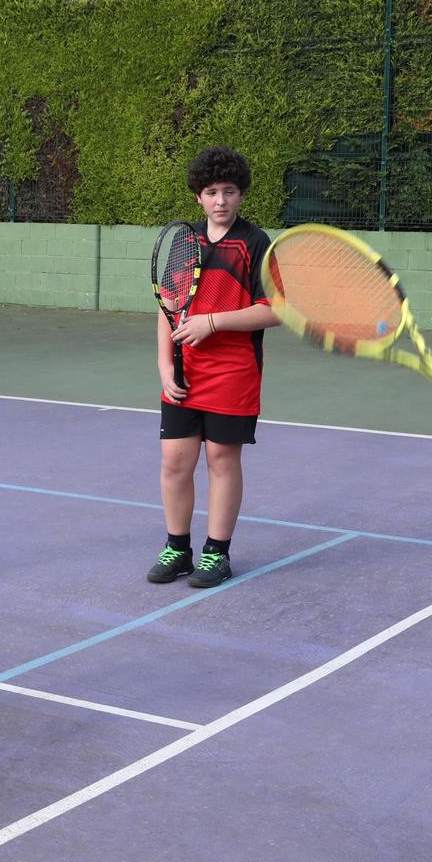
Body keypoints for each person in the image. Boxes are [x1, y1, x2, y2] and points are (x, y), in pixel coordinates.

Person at [148, 146, 279, 589]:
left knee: (221, 459)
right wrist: (165, 365)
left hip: (233, 371)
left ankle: (216, 553)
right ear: (198, 198)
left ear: (241, 195)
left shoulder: (255, 244)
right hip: (185, 373)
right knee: (174, 462)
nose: (220, 200)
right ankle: (177, 548)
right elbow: (167, 310)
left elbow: (275, 311)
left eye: (229, 191)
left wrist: (213, 321)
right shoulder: (184, 242)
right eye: (211, 192)